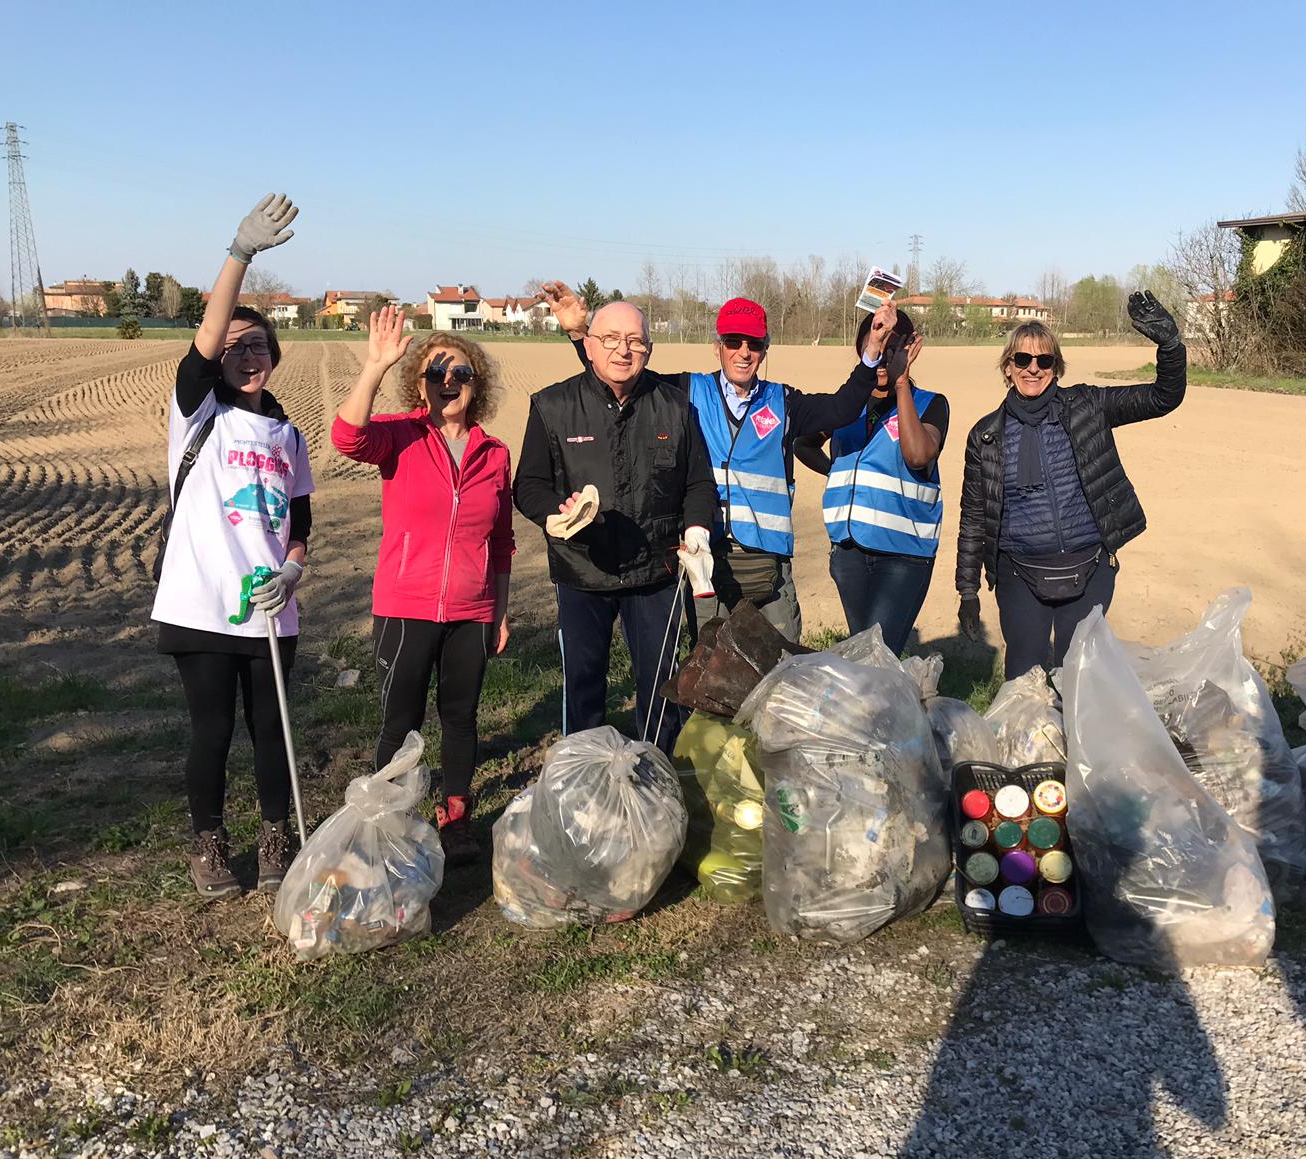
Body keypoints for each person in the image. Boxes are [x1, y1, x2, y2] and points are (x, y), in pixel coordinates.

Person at [543, 282, 900, 641]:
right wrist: (580, 334)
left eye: (754, 344)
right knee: (711, 679)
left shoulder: (786, 401)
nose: (743, 352)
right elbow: (623, 372)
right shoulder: (684, 392)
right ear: (717, 347)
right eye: (733, 342)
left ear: (764, 350)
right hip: (705, 565)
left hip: (768, 571)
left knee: (778, 675)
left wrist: (871, 350)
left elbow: (843, 407)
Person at [150, 193, 312, 900]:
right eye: (235, 347)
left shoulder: (288, 435)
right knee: (213, 730)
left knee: (273, 733)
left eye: (260, 346)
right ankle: (210, 844)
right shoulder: (198, 413)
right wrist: (239, 255)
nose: (248, 356)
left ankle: (278, 836)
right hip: (201, 604)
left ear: (274, 356)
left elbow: (300, 519)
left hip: (272, 609)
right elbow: (205, 340)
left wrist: (296, 571)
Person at [330, 306, 514, 865]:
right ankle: (389, 818)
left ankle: (455, 817)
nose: (449, 383)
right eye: (438, 374)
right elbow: (345, 438)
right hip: (406, 606)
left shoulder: (495, 453)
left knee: (460, 718)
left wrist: (498, 611)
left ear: (475, 384)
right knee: (400, 720)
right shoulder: (399, 437)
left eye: (461, 374)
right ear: (420, 383)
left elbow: (502, 540)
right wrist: (373, 367)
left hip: (471, 610)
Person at [512, 301, 717, 753]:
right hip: (582, 569)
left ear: (649, 348)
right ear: (589, 344)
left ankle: (658, 775)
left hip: (655, 572)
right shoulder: (553, 406)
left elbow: (698, 482)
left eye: (635, 341)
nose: (622, 350)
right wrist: (555, 512)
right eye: (610, 339)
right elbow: (528, 485)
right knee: (583, 684)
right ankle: (582, 782)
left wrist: (698, 528)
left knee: (662, 684)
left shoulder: (675, 408)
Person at [955, 290, 1186, 678]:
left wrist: (1171, 345)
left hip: (1089, 566)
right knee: (1024, 680)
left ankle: (1078, 740)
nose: (1033, 368)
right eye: (1022, 359)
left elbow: (1163, 397)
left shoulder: (1088, 406)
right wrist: (968, 590)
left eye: (1044, 360)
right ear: (1007, 368)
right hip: (1019, 574)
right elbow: (974, 518)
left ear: (1056, 368)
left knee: (1079, 679)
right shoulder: (986, 436)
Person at [796, 309, 947, 655]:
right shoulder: (848, 408)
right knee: (865, 655)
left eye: (893, 349)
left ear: (910, 350)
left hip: (903, 556)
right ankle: (889, 707)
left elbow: (918, 455)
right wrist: (839, 472)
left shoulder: (930, 404)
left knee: (876, 657)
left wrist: (901, 384)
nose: (883, 358)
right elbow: (802, 443)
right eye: (876, 347)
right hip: (848, 552)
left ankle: (894, 708)